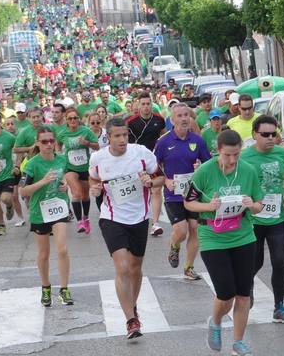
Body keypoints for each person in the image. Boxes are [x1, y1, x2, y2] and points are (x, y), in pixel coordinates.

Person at [184, 129, 264, 356]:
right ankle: (216, 322)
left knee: (243, 293)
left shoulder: (247, 170)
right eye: (227, 155)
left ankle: (238, 342)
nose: (232, 160)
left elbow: (259, 204)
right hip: (213, 237)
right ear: (218, 151)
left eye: (236, 155)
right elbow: (189, 203)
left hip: (243, 235)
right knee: (226, 291)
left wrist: (251, 204)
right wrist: (209, 206)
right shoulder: (205, 171)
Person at [89, 116, 163, 339]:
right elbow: (93, 180)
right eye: (117, 136)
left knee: (135, 268)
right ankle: (131, 319)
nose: (122, 140)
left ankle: (132, 305)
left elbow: (161, 178)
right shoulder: (98, 158)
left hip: (139, 217)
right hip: (112, 217)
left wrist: (150, 182)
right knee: (122, 267)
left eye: (125, 135)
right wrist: (94, 190)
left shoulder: (141, 153)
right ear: (108, 137)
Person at [241, 114, 284, 323]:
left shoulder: (282, 154)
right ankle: (246, 288)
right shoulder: (244, 157)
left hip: (277, 218)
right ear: (254, 135)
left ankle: (279, 307)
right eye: (264, 134)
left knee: (278, 261)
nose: (269, 138)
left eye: (273, 134)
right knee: (254, 262)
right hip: (254, 220)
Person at [155, 102, 210, 281]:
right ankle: (174, 245)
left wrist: (201, 167)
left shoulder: (198, 140)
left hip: (194, 193)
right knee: (181, 230)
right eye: (179, 116)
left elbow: (208, 164)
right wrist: (166, 179)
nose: (184, 118)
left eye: (186, 115)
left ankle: (189, 267)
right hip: (174, 193)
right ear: (172, 120)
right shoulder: (163, 142)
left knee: (194, 228)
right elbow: (153, 166)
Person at [20, 127, 74, 307]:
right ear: (37, 143)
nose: (49, 144)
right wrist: (42, 181)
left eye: (51, 141)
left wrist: (66, 185)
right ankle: (45, 287)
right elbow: (23, 190)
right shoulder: (32, 164)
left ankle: (64, 289)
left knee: (62, 249)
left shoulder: (62, 159)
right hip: (39, 212)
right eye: (44, 141)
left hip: (59, 207)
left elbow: (67, 177)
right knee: (44, 254)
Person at [126, 91, 168, 236]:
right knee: (140, 190)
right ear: (138, 105)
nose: (146, 107)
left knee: (156, 189)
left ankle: (155, 223)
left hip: (154, 160)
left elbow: (164, 136)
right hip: (137, 161)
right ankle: (137, 220)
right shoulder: (131, 122)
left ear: (152, 104)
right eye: (143, 104)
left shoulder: (159, 119)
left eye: (148, 104)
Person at [57, 108, 97, 234]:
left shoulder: (86, 131)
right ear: (66, 121)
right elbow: (57, 143)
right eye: (70, 118)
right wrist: (59, 153)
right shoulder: (63, 133)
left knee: (85, 196)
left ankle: (86, 218)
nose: (73, 120)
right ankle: (80, 222)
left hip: (85, 167)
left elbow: (97, 146)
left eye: (75, 118)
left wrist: (87, 143)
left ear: (79, 119)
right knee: (77, 194)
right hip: (70, 168)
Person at [0, 113, 23, 232]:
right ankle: (1, 225)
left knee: (5, 198)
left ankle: (9, 205)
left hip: (7, 174)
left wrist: (17, 165)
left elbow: (19, 149)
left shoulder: (9, 137)